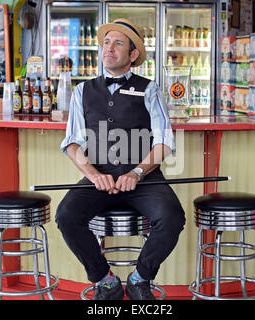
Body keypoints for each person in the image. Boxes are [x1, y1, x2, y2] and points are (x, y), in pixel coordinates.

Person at [55, 18, 186, 300]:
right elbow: (72, 144)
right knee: (66, 216)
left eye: (118, 43)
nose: (109, 49)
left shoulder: (149, 89)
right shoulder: (82, 91)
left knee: (172, 217)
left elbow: (164, 141)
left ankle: (140, 278)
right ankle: (105, 281)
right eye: (106, 42)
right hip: (99, 175)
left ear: (133, 54)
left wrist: (137, 172)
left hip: (144, 178)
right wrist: (93, 175)